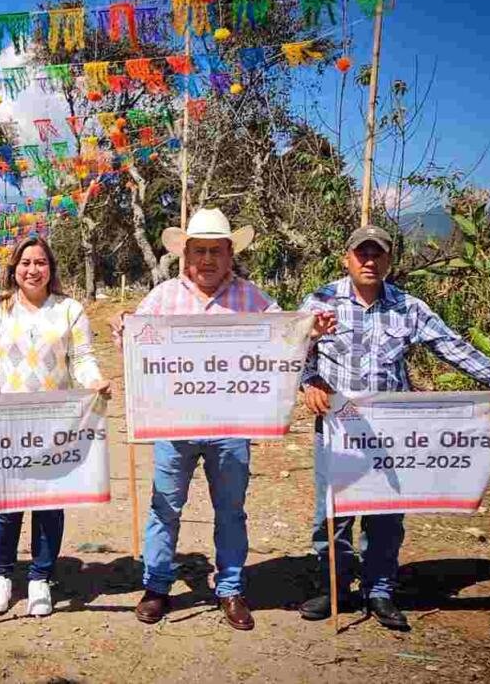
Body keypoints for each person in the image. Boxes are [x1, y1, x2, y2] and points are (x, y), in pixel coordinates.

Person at [298, 224, 490, 630]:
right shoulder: (319, 301)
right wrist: (309, 382)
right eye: (362, 253)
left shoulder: (409, 307)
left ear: (389, 260)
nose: (369, 261)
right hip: (338, 430)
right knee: (331, 516)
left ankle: (380, 590)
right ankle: (335, 587)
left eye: (378, 254)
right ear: (347, 258)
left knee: (386, 516)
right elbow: (294, 349)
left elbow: (451, 345)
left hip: (393, 432)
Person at [110, 207, 334, 631]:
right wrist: (121, 326)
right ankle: (158, 586)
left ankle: (230, 588)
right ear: (185, 255)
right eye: (199, 251)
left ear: (230, 254)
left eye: (216, 250)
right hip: (173, 425)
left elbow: (287, 338)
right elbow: (131, 343)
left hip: (231, 428)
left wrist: (313, 331)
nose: (208, 260)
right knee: (165, 508)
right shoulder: (162, 298)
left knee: (230, 510)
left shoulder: (253, 298)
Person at [0, 236, 110, 617]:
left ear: (51, 268)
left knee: (50, 504)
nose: (33, 269)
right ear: (14, 268)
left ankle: (40, 578)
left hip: (56, 424)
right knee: (7, 504)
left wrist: (94, 381)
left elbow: (82, 357)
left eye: (40, 263)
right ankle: (1, 575)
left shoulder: (69, 310)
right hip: (6, 422)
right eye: (25, 263)